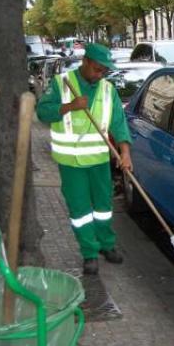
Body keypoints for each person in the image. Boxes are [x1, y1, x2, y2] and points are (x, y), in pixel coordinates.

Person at [36, 43, 133, 275]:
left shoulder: (108, 90)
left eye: (104, 71)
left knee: (103, 207)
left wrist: (125, 153)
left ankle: (107, 245)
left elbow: (119, 122)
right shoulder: (62, 84)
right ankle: (89, 252)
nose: (100, 75)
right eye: (98, 69)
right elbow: (42, 112)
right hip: (72, 163)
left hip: (99, 160)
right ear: (86, 62)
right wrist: (69, 106)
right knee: (80, 210)